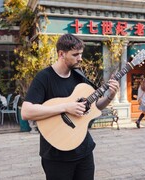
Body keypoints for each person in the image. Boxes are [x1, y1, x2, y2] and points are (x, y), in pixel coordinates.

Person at [21, 33, 119, 180]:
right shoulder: (44, 77)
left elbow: (94, 106)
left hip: (84, 151)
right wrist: (66, 107)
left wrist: (110, 95)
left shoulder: (79, 76)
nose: (80, 58)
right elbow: (26, 111)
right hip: (56, 155)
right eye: (75, 54)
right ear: (61, 54)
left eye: (81, 54)